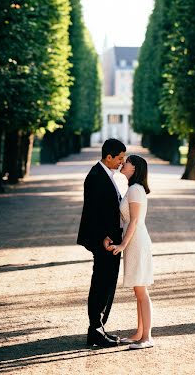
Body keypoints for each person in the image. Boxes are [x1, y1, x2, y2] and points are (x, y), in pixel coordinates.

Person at [77, 138, 126, 347]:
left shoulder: (105, 174)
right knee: (101, 284)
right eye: (120, 158)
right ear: (109, 157)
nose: (122, 162)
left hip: (110, 240)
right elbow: (92, 213)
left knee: (106, 284)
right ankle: (95, 330)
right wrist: (102, 237)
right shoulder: (96, 176)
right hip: (104, 242)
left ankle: (98, 328)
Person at [110, 154, 154, 349]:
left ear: (134, 168)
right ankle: (139, 333)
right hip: (134, 240)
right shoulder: (133, 188)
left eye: (126, 162)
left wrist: (122, 245)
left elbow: (134, 220)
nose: (122, 163)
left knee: (142, 291)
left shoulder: (135, 190)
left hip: (136, 241)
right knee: (139, 290)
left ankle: (147, 337)